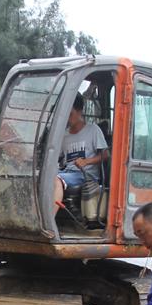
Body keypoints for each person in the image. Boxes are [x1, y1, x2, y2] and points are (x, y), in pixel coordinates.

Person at [54, 96, 108, 227]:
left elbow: (105, 155)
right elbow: (58, 157)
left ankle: (48, 221)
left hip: (86, 175)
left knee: (55, 180)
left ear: (80, 111)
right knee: (41, 176)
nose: (67, 118)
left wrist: (87, 161)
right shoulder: (64, 135)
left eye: (70, 114)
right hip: (67, 172)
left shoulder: (93, 130)